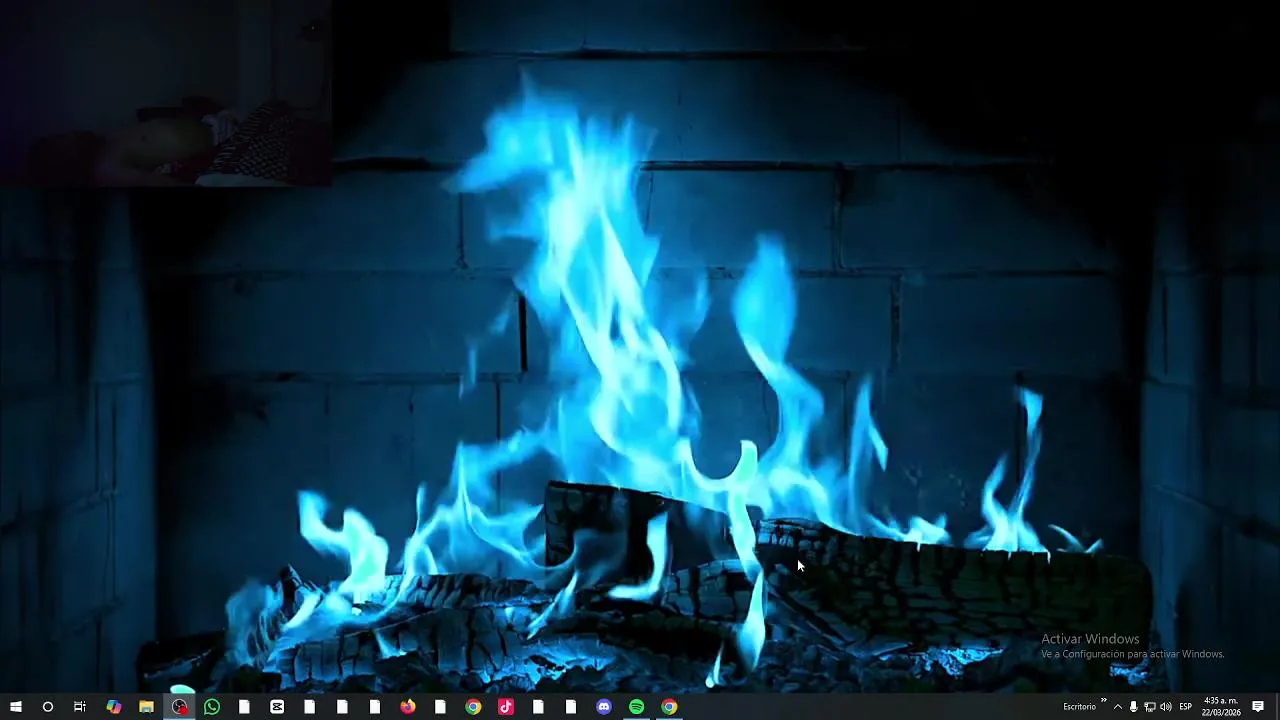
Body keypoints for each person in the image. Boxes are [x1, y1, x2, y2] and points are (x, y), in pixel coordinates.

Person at [28, 110, 240, 187]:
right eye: (63, 141)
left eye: (62, 134)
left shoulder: (104, 142)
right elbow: (159, 184)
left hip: (216, 124)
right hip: (222, 144)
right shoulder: (105, 170)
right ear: (66, 160)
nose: (70, 133)